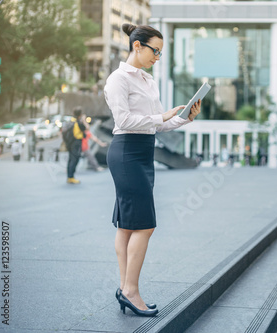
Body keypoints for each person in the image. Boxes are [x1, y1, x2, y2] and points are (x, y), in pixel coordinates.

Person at [104, 23, 201, 317]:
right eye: (154, 51)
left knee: (127, 225)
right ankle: (131, 291)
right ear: (137, 46)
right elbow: (123, 120)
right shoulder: (118, 79)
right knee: (145, 224)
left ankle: (125, 289)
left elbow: (157, 124)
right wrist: (160, 115)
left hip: (143, 153)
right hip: (125, 152)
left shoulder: (149, 81)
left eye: (160, 53)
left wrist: (185, 118)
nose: (157, 57)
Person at [66, 108, 87, 184]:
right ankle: (71, 177)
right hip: (76, 142)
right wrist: (84, 120)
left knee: (71, 159)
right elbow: (86, 128)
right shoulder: (78, 122)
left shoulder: (71, 121)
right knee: (75, 159)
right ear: (80, 114)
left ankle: (69, 176)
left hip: (70, 142)